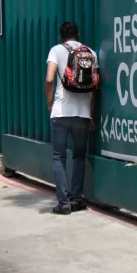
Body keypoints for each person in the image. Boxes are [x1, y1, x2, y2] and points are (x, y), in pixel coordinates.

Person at [45, 22, 98, 215]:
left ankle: (64, 203)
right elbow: (94, 87)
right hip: (82, 114)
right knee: (78, 157)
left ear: (61, 37)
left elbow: (50, 78)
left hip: (61, 112)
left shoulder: (56, 50)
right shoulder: (91, 53)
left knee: (59, 157)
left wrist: (49, 102)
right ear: (78, 35)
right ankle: (77, 198)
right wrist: (91, 114)